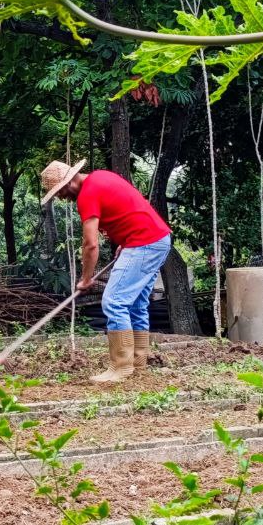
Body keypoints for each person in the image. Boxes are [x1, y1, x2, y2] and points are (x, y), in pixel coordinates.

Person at [41, 159, 172, 383]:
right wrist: (125, 241)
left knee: (114, 302)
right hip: (156, 239)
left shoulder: (87, 195)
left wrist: (86, 279)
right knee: (137, 304)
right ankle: (138, 364)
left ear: (68, 183)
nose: (62, 198)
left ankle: (120, 368)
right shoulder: (101, 177)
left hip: (144, 242)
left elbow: (90, 244)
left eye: (60, 192)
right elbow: (130, 208)